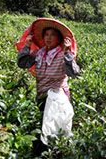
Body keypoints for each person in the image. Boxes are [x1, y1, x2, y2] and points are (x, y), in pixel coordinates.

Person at [16, 21, 80, 156]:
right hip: (41, 96)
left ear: (59, 39)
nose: (48, 38)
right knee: (41, 129)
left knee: (53, 132)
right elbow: (22, 63)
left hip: (57, 99)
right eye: (46, 35)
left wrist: (68, 52)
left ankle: (50, 154)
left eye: (52, 35)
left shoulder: (63, 55)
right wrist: (27, 46)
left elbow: (73, 72)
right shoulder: (40, 53)